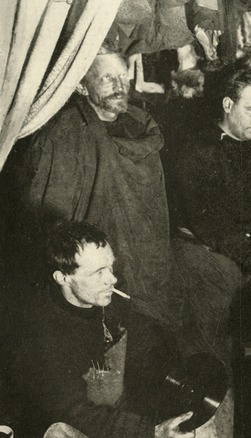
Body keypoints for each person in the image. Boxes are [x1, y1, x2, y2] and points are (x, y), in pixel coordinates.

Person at [17, 44, 174, 327]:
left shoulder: (142, 127)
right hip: (90, 278)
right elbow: (49, 219)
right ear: (80, 85)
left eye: (123, 76)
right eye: (106, 78)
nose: (119, 85)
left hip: (146, 267)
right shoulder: (63, 136)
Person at [6, 221, 192, 438]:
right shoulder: (41, 336)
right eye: (99, 272)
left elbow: (148, 342)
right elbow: (76, 414)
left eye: (111, 267)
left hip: (111, 415)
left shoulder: (107, 300)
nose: (112, 279)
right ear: (63, 278)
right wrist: (151, 430)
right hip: (69, 425)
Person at [174, 67, 251, 362]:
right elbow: (210, 221)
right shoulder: (199, 150)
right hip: (201, 256)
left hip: (237, 252)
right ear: (227, 105)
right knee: (216, 351)